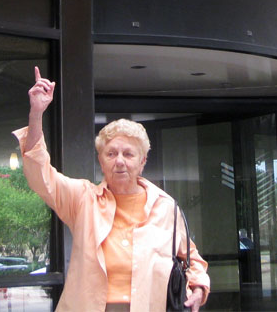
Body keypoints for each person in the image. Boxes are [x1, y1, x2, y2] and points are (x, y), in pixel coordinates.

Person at [14, 67, 210, 311]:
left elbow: (192, 259)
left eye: (128, 154)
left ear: (142, 162)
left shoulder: (166, 206)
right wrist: (36, 114)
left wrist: (199, 287)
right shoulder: (83, 199)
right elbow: (40, 175)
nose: (119, 161)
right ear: (101, 160)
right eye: (111, 153)